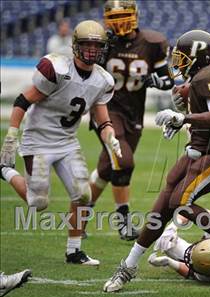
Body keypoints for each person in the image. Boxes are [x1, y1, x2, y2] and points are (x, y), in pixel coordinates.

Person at [103, 30, 210, 293]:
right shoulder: (196, 82)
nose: (178, 63)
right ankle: (129, 265)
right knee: (163, 205)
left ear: (198, 58)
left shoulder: (209, 76)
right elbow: (203, 112)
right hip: (200, 150)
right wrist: (183, 120)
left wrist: (184, 119)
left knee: (181, 202)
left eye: (183, 58)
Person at [0, 20, 120, 265]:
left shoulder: (103, 80)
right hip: (38, 141)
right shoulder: (57, 68)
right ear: (75, 46)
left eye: (96, 46)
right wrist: (12, 135)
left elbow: (102, 119)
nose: (91, 51)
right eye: (86, 45)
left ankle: (73, 251)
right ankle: (4, 170)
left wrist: (111, 138)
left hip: (67, 143)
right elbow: (23, 100)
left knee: (83, 195)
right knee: (38, 203)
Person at [86, 0, 174, 241]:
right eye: (113, 17)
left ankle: (80, 216)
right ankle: (124, 222)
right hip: (106, 110)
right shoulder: (103, 42)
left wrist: (156, 81)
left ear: (135, 15)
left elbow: (168, 81)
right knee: (123, 162)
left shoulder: (151, 43)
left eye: (123, 15)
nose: (119, 22)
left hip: (133, 114)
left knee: (107, 168)